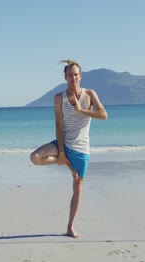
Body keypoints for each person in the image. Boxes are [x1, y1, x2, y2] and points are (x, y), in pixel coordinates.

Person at [30, 59, 108, 238]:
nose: (73, 77)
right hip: (63, 143)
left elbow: (103, 115)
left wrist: (82, 111)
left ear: (80, 76)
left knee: (77, 186)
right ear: (65, 77)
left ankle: (70, 227)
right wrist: (62, 152)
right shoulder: (59, 98)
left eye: (76, 74)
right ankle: (64, 162)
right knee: (35, 157)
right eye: (70, 75)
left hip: (81, 148)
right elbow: (58, 126)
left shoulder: (89, 94)